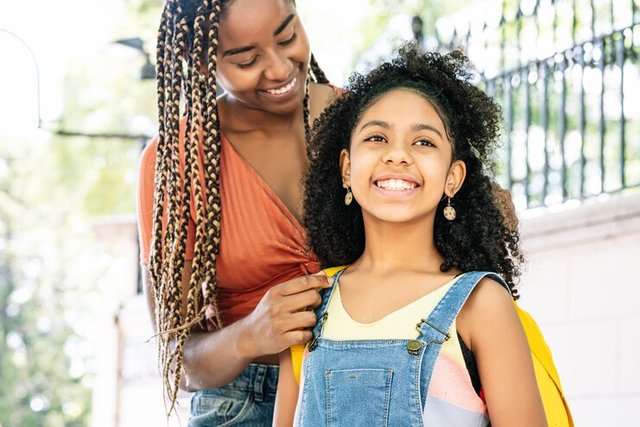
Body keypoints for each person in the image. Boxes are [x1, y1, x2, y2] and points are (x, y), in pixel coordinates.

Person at [274, 44, 548, 426]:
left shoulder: (481, 305)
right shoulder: (310, 302)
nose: (398, 155)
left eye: (424, 142)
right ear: (346, 169)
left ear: (453, 177)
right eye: (377, 138)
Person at [136, 0, 339, 424]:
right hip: (245, 402)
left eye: (287, 37)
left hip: (376, 381)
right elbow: (180, 360)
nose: (281, 69)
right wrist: (249, 335)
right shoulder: (178, 162)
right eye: (247, 59)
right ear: (203, 62)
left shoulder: (364, 120)